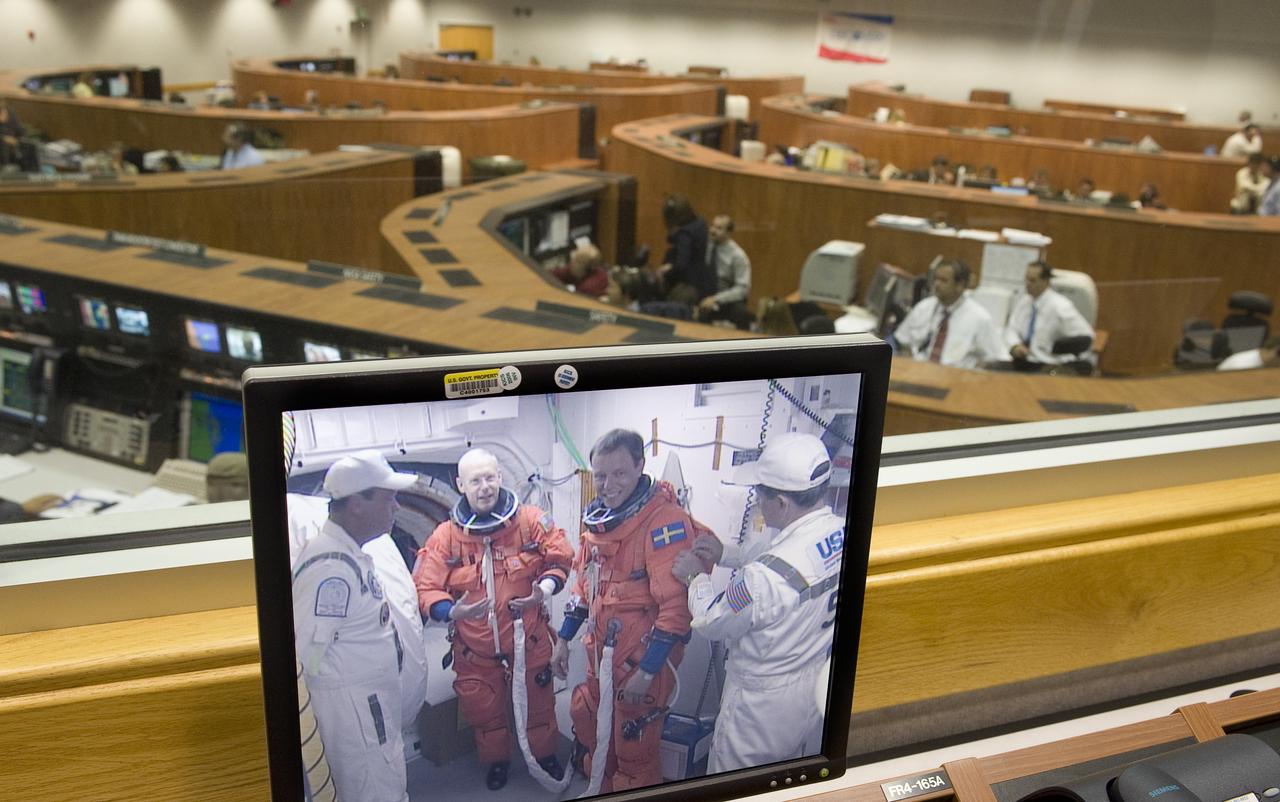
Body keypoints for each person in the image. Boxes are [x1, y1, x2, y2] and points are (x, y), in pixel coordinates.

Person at [672, 432, 843, 771]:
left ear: (781, 503)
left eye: (761, 496)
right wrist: (728, 554)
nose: (759, 503)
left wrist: (696, 577)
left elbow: (711, 620)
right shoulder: (838, 531)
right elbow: (789, 561)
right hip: (808, 691)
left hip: (759, 709)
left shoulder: (760, 579)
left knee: (736, 783)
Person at [413, 448, 573, 790]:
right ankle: (498, 761)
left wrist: (541, 591)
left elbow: (560, 558)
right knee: (485, 714)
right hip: (475, 649)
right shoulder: (446, 537)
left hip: (527, 640)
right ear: (460, 485)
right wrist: (454, 611)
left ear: (499, 477)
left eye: (489, 477)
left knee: (539, 707)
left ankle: (545, 756)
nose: (484, 486)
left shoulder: (530, 521)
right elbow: (426, 587)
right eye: (475, 480)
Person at [552, 429, 698, 792]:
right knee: (595, 733)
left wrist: (648, 671)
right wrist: (562, 640)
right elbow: (584, 589)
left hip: (642, 662)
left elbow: (677, 610)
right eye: (599, 475)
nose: (607, 484)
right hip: (601, 660)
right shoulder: (597, 527)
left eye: (619, 473)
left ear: (639, 466)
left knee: (634, 754)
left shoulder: (665, 522)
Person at [292, 450, 417, 802]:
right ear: (357, 504)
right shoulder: (330, 569)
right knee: (375, 790)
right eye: (389, 498)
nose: (396, 508)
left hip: (370, 706)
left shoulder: (350, 556)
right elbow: (306, 659)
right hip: (357, 714)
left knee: (387, 780)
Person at [892, 259, 1003, 369]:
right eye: (935, 279)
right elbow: (902, 340)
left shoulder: (980, 318)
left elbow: (996, 358)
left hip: (956, 379)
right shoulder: (924, 307)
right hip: (918, 373)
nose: (937, 284)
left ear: (960, 285)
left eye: (944, 280)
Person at [1004, 262, 1095, 366]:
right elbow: (1012, 328)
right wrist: (1015, 345)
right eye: (1026, 279)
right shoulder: (1025, 302)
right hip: (1026, 359)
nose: (1027, 283)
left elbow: (1085, 337)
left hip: (1048, 363)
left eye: (1032, 280)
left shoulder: (1060, 306)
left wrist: (1058, 348)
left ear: (1045, 281)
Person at [656, 194, 714, 305]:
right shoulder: (701, 223)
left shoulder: (684, 235)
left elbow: (681, 265)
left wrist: (667, 271)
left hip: (688, 285)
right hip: (704, 279)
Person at [697, 214, 752, 328]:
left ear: (728, 233)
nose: (712, 230)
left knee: (741, 312)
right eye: (712, 226)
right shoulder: (706, 246)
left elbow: (742, 289)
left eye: (719, 228)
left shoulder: (737, 256)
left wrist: (716, 299)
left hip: (726, 299)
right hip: (706, 293)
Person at [0, 99, 22, 170]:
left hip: (13, 145)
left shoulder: (11, 112)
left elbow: (19, 131)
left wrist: (18, 140)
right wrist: (3, 138)